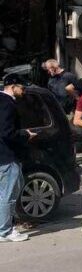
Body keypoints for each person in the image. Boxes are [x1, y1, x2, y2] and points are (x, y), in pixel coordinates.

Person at [0, 79, 36, 242]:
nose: (24, 91)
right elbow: (7, 132)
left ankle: (6, 226)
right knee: (9, 194)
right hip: (7, 156)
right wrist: (25, 134)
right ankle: (5, 231)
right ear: (13, 87)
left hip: (4, 156)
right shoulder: (7, 104)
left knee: (7, 192)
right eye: (22, 87)